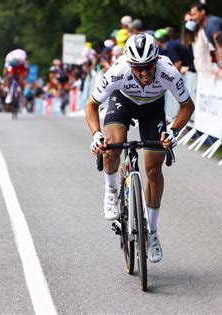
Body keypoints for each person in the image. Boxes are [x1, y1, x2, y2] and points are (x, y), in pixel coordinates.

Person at [85, 33, 195, 263]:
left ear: (157, 61)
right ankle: (111, 191)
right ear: (130, 64)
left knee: (153, 170)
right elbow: (92, 104)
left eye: (148, 66)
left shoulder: (167, 71)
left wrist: (173, 131)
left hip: (152, 107)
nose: (144, 73)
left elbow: (187, 106)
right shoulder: (118, 71)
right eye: (138, 68)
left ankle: (152, 232)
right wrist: (96, 135)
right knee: (112, 145)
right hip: (122, 101)